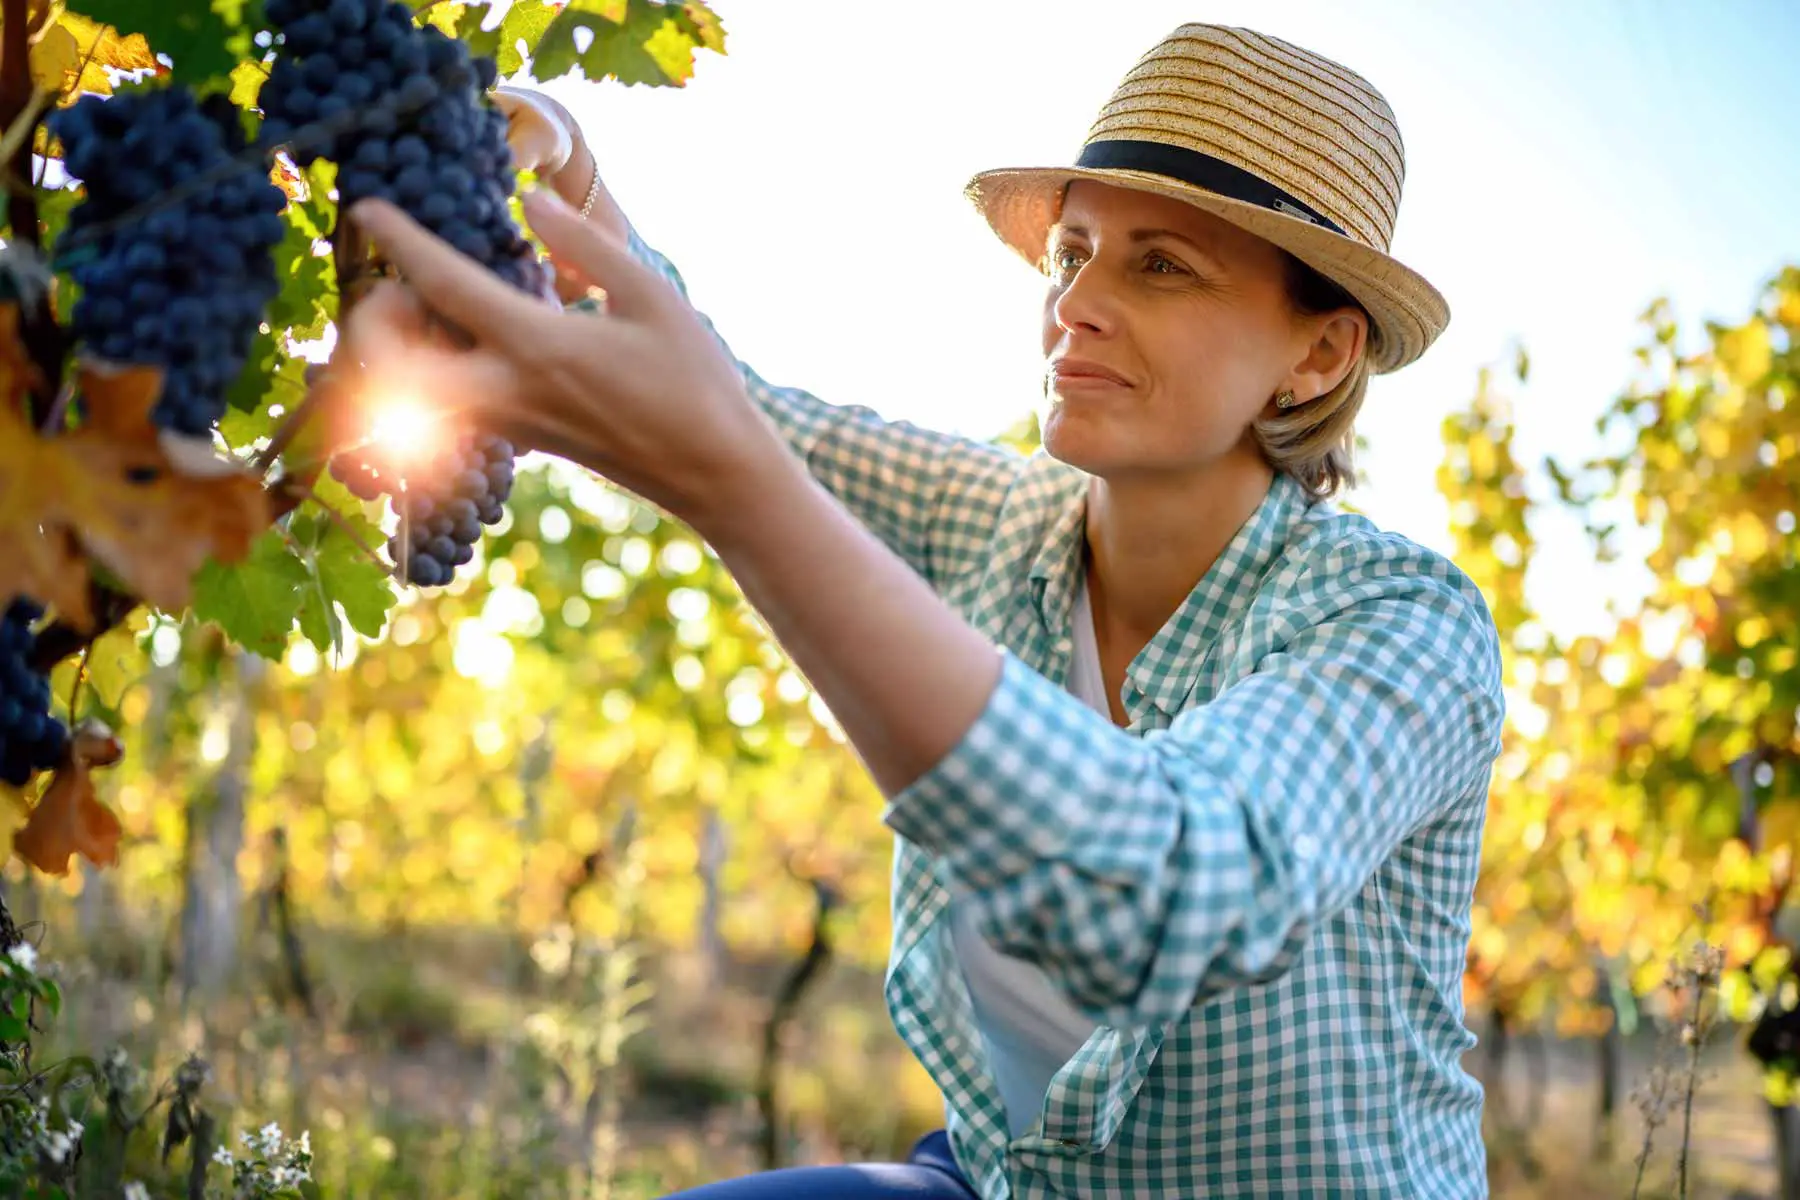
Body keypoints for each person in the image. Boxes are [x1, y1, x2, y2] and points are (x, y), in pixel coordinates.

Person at [342, 22, 1506, 1199]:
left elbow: (1180, 892)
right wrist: (568, 170)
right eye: (1071, 255)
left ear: (1318, 352)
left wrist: (743, 495)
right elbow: (734, 414)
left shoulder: (1402, 624)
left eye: (1160, 266)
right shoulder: (997, 513)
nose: (1076, 306)